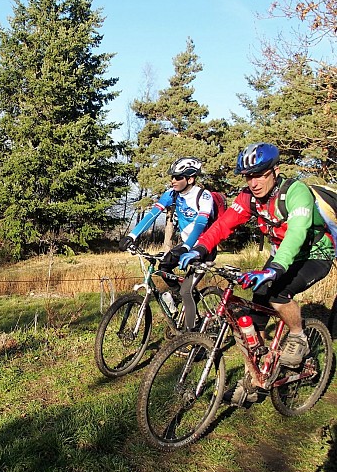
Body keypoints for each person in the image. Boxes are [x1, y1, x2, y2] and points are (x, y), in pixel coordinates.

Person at [179, 142, 334, 403]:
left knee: (278, 293)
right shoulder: (248, 198)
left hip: (313, 255)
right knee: (252, 320)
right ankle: (255, 378)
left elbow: (296, 233)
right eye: (249, 176)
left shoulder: (296, 192)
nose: (254, 182)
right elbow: (223, 225)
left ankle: (298, 336)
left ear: (275, 170)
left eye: (260, 174)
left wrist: (274, 267)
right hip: (280, 258)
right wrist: (200, 249)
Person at [119, 157, 215, 308]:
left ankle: (193, 324)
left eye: (177, 177)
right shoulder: (171, 194)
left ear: (190, 179)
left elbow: (200, 224)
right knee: (164, 267)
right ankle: (179, 299)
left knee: (187, 290)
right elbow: (152, 215)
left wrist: (187, 247)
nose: (173, 181)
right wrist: (132, 236)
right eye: (172, 177)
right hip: (186, 245)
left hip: (204, 247)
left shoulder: (204, 196)